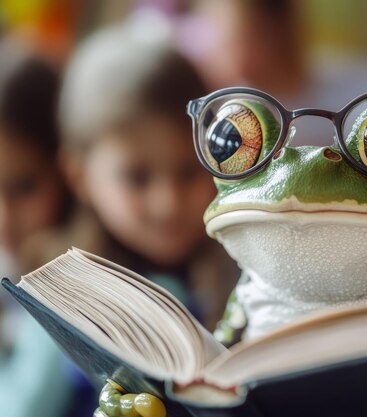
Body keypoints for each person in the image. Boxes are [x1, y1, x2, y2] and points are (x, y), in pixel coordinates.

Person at [26, 21, 240, 416]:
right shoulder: (60, 290)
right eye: (137, 177)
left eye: (188, 170)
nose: (168, 203)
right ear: (80, 176)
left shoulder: (239, 268)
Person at [0, 40, 75, 417]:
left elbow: (21, 410)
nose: (5, 218)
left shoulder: (67, 279)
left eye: (25, 186)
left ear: (68, 172)